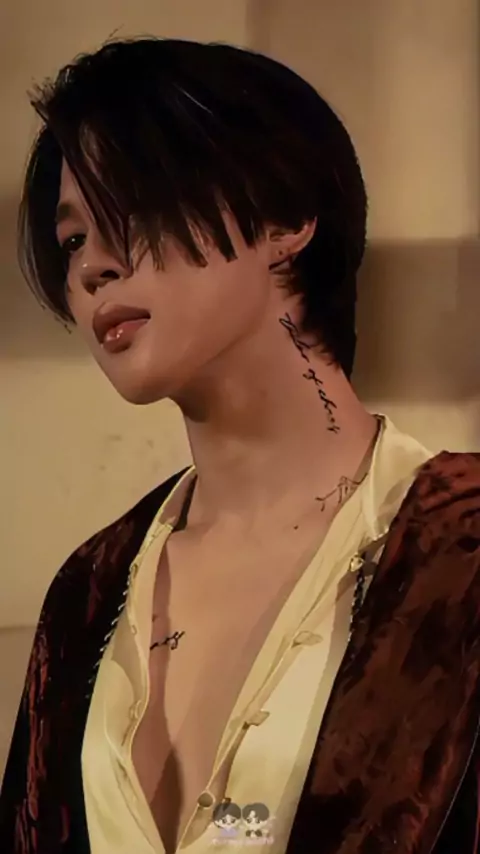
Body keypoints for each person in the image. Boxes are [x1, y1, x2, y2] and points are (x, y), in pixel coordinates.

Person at [1, 36, 479, 854]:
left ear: (284, 219)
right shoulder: (89, 591)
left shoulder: (460, 544)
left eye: (133, 201)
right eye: (72, 238)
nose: (91, 269)